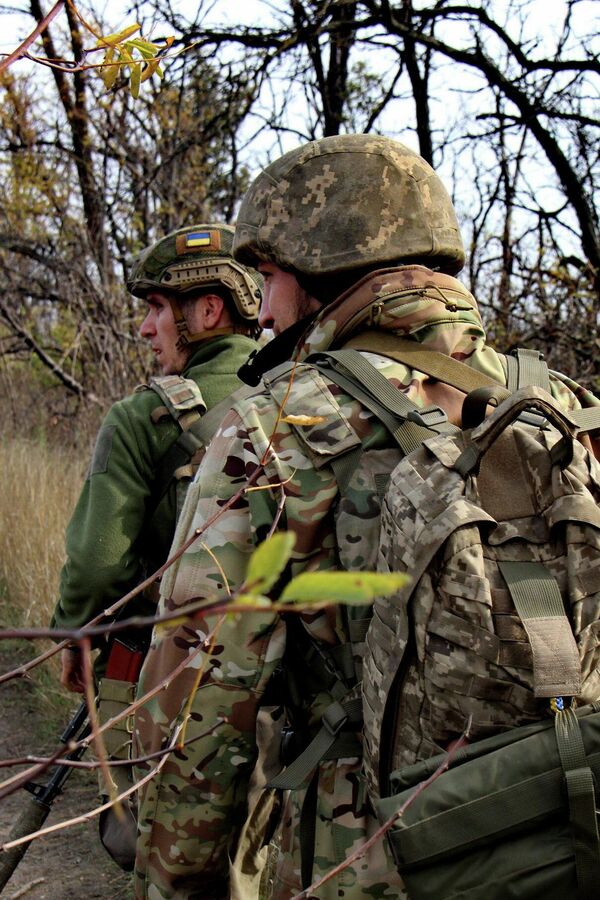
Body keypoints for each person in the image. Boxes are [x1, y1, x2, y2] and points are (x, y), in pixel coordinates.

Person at [133, 135, 600, 899]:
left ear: (319, 274)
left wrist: (169, 884)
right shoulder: (563, 409)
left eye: (270, 275)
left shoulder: (274, 430)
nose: (264, 309)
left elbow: (197, 710)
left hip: (368, 854)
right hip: (564, 837)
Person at [51, 223, 261, 689]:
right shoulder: (303, 397)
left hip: (164, 680)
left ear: (208, 310)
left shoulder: (142, 416)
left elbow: (95, 565)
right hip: (284, 698)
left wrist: (74, 635)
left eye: (157, 308)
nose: (146, 328)